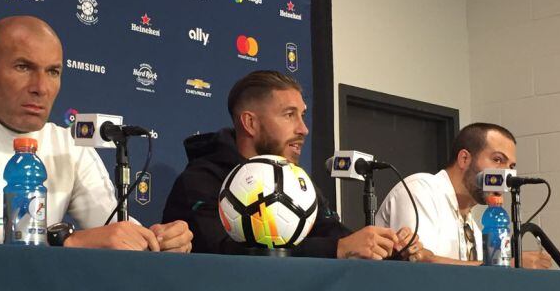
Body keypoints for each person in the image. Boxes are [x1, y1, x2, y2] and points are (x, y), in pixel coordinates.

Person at [0, 15, 192, 253]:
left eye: (53, 72)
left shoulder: (71, 147)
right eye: (23, 67)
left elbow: (110, 227)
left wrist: (157, 240)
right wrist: (64, 241)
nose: (41, 87)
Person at [162, 70, 427, 260]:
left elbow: (338, 235)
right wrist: (336, 250)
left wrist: (388, 248)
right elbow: (220, 252)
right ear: (250, 123)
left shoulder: (299, 181)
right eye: (289, 115)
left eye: (302, 116)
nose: (303, 129)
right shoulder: (200, 180)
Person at [376, 123, 552, 268]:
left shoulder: (474, 228)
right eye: (498, 160)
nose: (506, 174)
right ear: (464, 159)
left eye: (511, 167)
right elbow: (421, 268)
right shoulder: (420, 189)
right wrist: (511, 265)